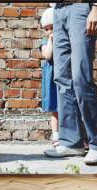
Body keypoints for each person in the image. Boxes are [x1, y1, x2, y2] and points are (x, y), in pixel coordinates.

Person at [44, 3, 97, 165]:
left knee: (81, 78)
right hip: (58, 11)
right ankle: (71, 142)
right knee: (62, 78)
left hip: (80, 7)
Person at [40, 8, 59, 147]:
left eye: (52, 28)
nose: (49, 31)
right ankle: (56, 136)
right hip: (52, 76)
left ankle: (73, 136)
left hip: (65, 75)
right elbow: (47, 55)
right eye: (46, 29)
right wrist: (51, 40)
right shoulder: (44, 41)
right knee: (55, 108)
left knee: (70, 107)